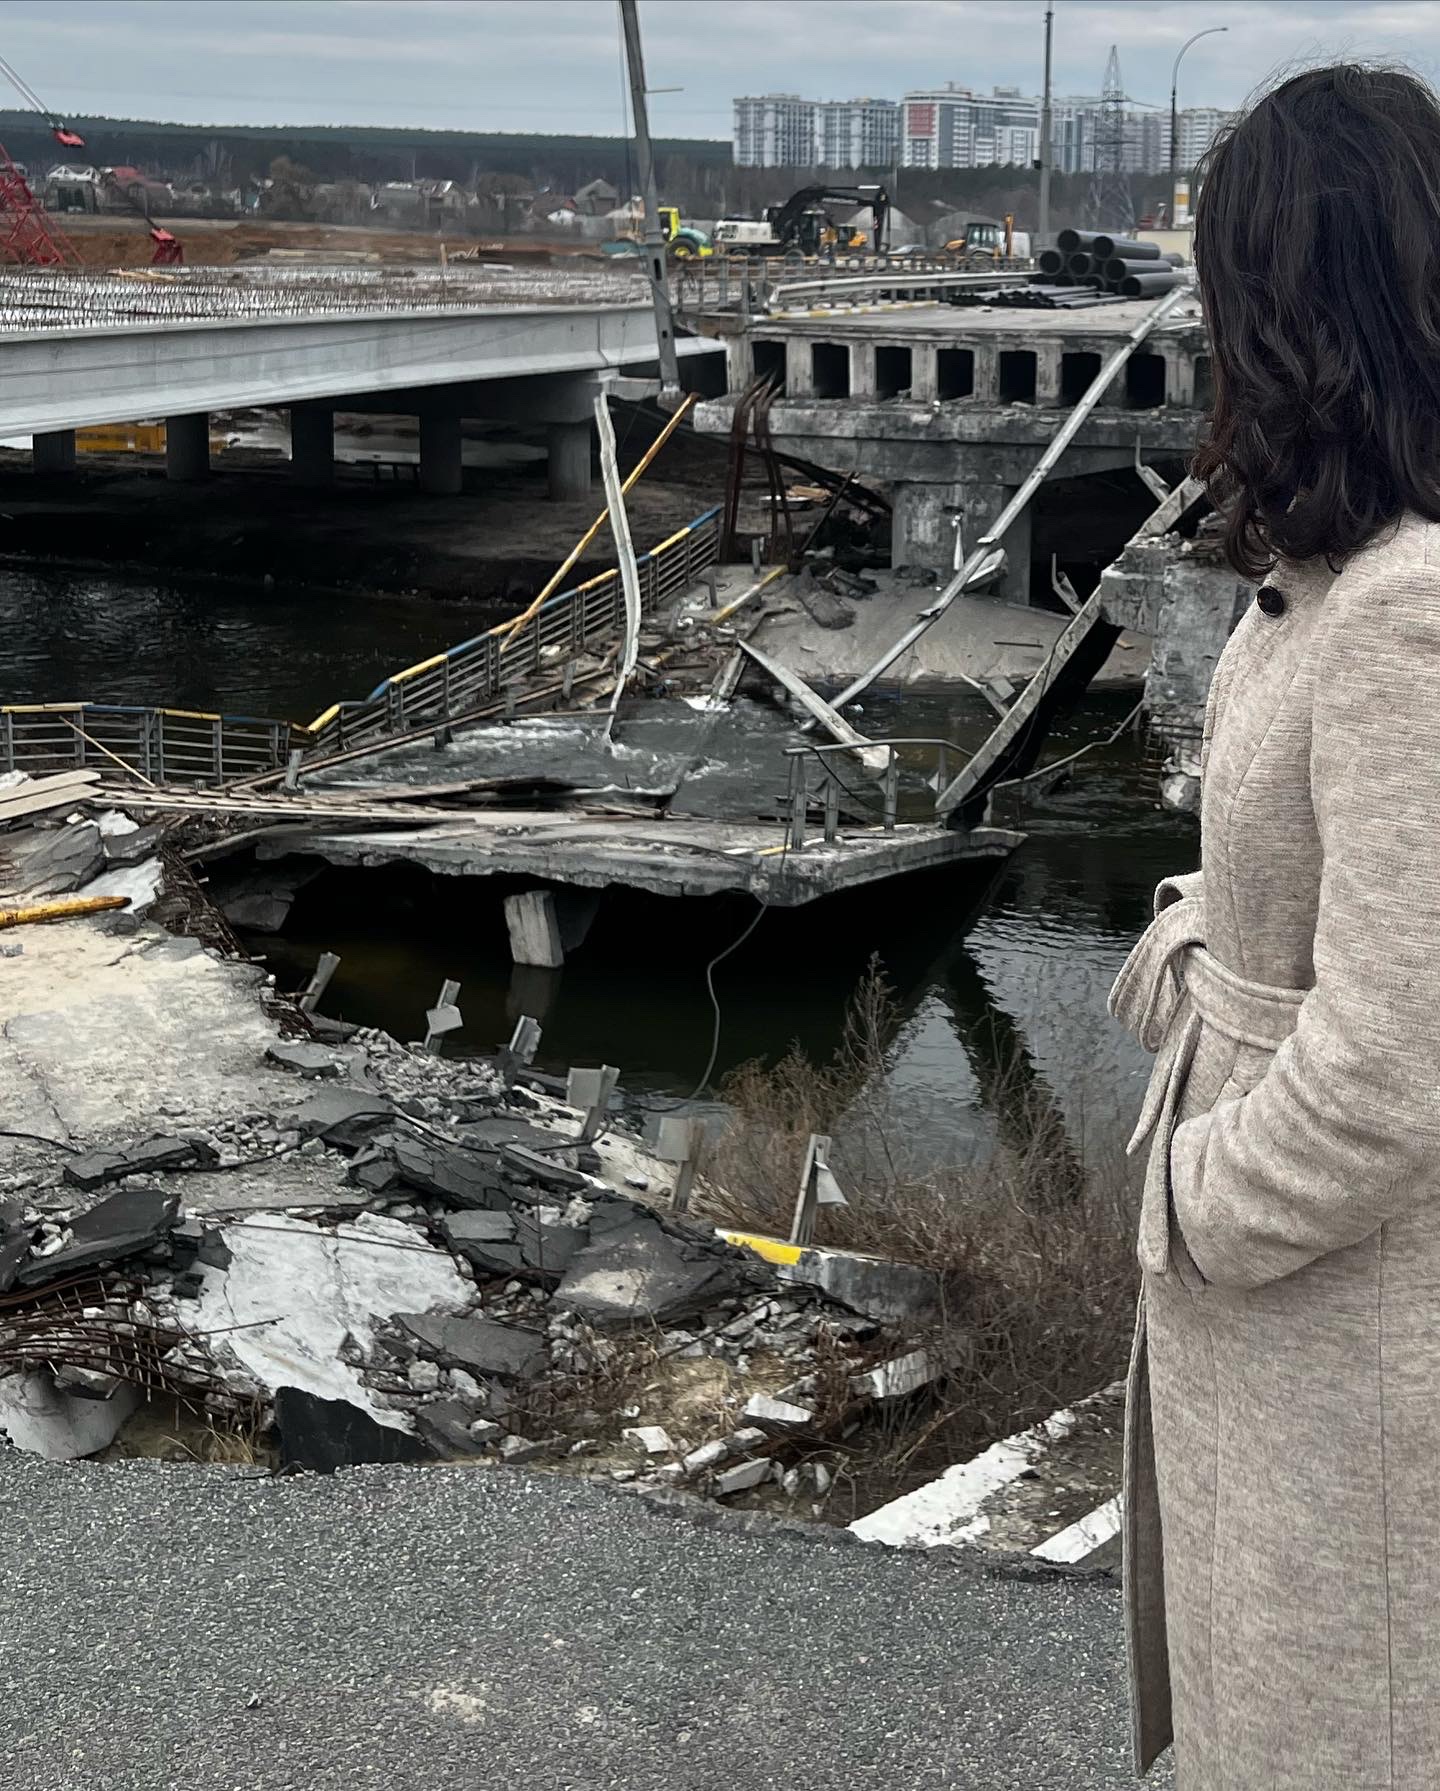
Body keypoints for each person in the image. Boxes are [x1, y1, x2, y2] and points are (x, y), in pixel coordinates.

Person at [1110, 63, 1440, 1790]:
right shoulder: (1330, 568)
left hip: (1338, 1321)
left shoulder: (1409, 616)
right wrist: (1186, 948)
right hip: (1285, 1320)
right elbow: (1294, 891)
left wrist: (1190, 1206)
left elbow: (1397, 1060)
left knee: (1340, 1720)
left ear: (1296, 302)